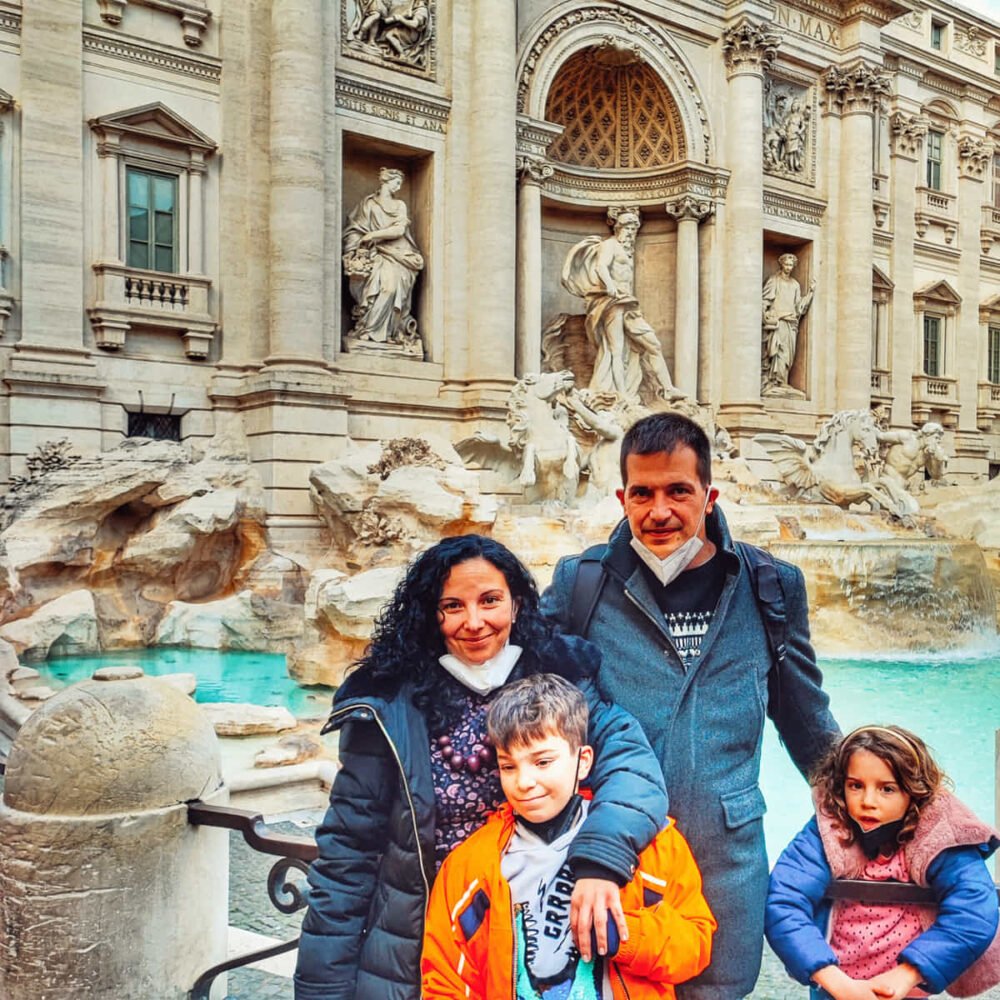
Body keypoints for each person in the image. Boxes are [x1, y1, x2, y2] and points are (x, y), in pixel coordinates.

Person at [541, 411, 840, 1000]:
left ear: (709, 494)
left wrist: (886, 808)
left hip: (725, 863)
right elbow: (542, 702)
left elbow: (806, 719)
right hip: (616, 854)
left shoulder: (770, 585)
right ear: (622, 497)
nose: (660, 511)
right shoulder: (581, 582)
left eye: (679, 490)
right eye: (643, 493)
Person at [294, 534, 668, 1000]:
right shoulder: (388, 704)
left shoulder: (563, 681)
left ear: (516, 604)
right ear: (430, 614)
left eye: (490, 600)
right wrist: (322, 990)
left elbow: (633, 769)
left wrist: (600, 862)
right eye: (452, 606)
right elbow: (347, 858)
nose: (473, 622)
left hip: (533, 941)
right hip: (410, 956)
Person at [422, 673, 717, 999]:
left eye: (543, 761)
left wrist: (624, 936)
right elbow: (445, 979)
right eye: (509, 766)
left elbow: (695, 945)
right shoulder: (470, 866)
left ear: (583, 761)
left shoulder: (653, 845)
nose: (524, 781)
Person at [766, 725, 1000, 999]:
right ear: (840, 786)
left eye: (887, 789)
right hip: (835, 982)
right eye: (855, 785)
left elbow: (974, 911)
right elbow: (784, 900)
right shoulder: (829, 831)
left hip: (905, 988)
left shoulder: (938, 835)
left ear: (914, 791)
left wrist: (906, 975)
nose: (868, 801)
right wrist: (838, 983)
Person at [561, 209, 683, 404]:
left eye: (634, 229)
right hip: (613, 302)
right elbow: (601, 266)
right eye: (628, 228)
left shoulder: (626, 250)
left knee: (653, 344)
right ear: (619, 228)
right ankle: (621, 394)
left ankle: (667, 389)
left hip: (629, 305)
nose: (631, 233)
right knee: (616, 349)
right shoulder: (609, 245)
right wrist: (611, 288)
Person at [342, 167, 424, 348]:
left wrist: (373, 235)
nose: (399, 186)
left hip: (398, 254)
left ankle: (389, 332)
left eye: (401, 183)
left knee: (390, 289)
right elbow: (355, 229)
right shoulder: (368, 204)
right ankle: (368, 330)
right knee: (378, 290)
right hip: (375, 253)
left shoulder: (399, 205)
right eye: (396, 182)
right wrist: (356, 245)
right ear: (386, 181)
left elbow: (399, 230)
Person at [762, 253, 815, 392]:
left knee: (788, 355)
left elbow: (799, 307)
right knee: (779, 351)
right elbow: (765, 301)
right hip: (779, 322)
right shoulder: (774, 281)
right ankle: (775, 381)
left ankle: (783, 380)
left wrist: (810, 292)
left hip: (791, 323)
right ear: (781, 264)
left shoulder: (795, 284)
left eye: (791, 265)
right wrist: (766, 315)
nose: (789, 267)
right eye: (786, 264)